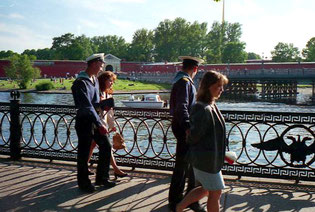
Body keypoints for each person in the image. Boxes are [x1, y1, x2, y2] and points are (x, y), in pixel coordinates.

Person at [176, 70, 229, 212]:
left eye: (222, 86)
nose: (221, 89)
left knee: (206, 189)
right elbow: (194, 136)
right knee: (216, 191)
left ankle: (179, 208)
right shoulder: (202, 107)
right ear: (208, 86)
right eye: (218, 86)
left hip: (209, 158)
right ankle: (179, 207)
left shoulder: (210, 105)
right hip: (205, 159)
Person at [71, 53, 116, 193]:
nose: (102, 67)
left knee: (106, 146)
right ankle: (83, 183)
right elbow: (85, 106)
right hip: (85, 121)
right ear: (94, 63)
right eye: (101, 64)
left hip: (94, 119)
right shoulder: (80, 83)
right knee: (83, 153)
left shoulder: (94, 80)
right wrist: (100, 123)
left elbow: (94, 103)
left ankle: (102, 178)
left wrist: (103, 105)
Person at [168, 56, 205, 212]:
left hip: (180, 126)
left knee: (185, 165)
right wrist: (188, 127)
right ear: (195, 69)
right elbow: (182, 107)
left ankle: (180, 198)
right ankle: (183, 200)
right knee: (186, 166)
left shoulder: (180, 81)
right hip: (184, 129)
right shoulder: (184, 82)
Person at [88, 71, 128, 179]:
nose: (111, 83)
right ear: (103, 80)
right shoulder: (98, 93)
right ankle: (115, 170)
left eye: (112, 81)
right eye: (110, 80)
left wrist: (111, 125)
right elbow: (95, 107)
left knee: (93, 145)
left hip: (103, 124)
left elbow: (109, 113)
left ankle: (84, 167)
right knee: (106, 146)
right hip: (96, 124)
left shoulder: (107, 93)